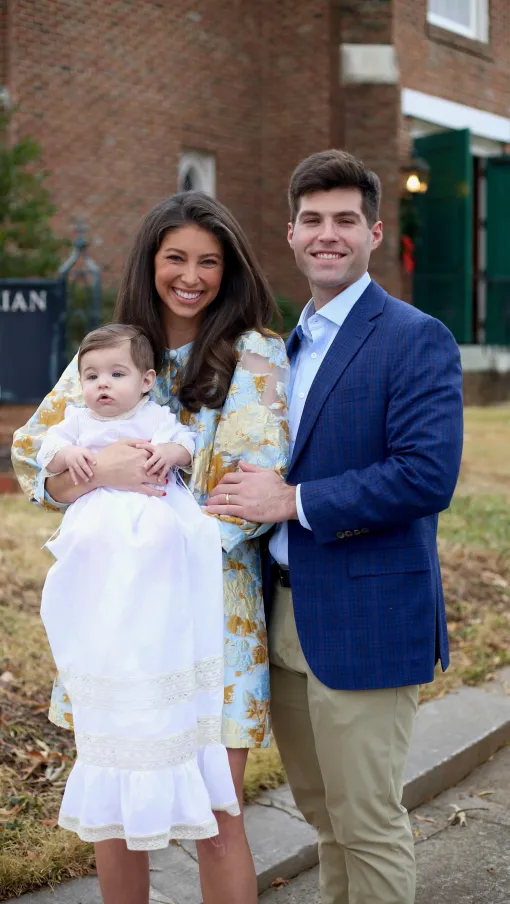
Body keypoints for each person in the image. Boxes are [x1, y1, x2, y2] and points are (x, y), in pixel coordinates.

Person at [12, 192, 289, 904]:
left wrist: (121, 494)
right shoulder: (109, 350)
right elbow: (31, 455)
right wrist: (103, 473)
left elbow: (247, 490)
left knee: (219, 818)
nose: (190, 275)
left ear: (228, 270)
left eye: (208, 261)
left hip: (209, 612)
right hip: (112, 612)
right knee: (115, 816)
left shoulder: (253, 351)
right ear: (151, 262)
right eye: (176, 258)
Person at [207, 149, 464, 904]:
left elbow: (426, 476)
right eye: (312, 220)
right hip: (284, 613)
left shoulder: (415, 337)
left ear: (374, 233)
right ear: (289, 233)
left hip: (370, 617)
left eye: (345, 220)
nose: (328, 234)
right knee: (322, 817)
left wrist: (291, 501)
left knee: (368, 821)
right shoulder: (282, 348)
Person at [37, 322, 239, 850]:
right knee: (77, 574)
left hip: (152, 523)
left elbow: (184, 441)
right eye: (92, 375)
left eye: (116, 374)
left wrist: (172, 455)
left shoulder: (153, 416)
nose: (102, 384)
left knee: (164, 552)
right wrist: (71, 459)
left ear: (147, 380)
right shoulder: (77, 421)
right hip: (100, 531)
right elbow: (47, 448)